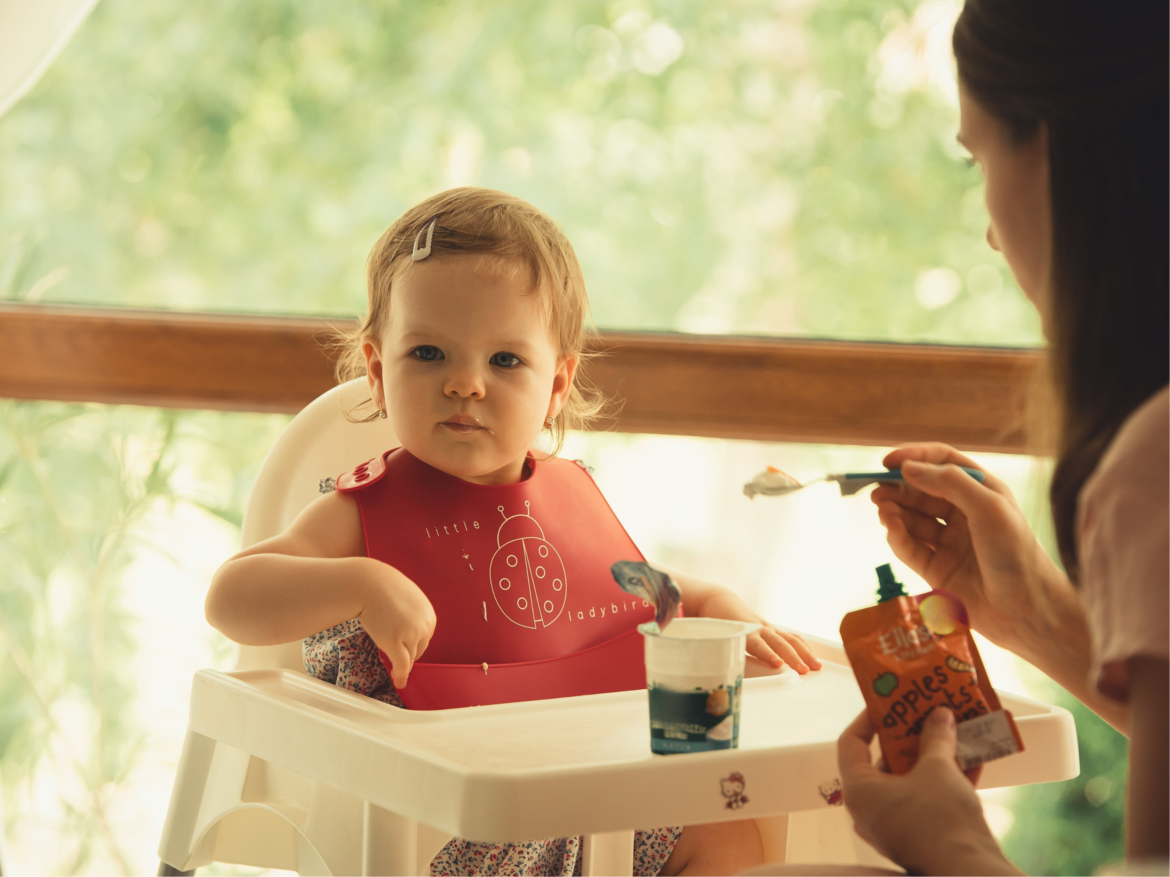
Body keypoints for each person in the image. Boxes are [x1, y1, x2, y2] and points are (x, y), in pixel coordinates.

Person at [204, 187, 821, 877]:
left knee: (725, 831)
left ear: (556, 386)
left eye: (504, 360)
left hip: (595, 792)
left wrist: (732, 618)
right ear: (378, 371)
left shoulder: (565, 503)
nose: (465, 383)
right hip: (444, 826)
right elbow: (231, 596)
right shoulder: (362, 514)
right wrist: (360, 583)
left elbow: (669, 596)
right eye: (429, 352)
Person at [836, 1, 1168, 873]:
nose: (989, 228)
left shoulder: (1156, 462)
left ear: (1057, 152)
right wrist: (1038, 617)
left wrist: (951, 846)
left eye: (979, 157)